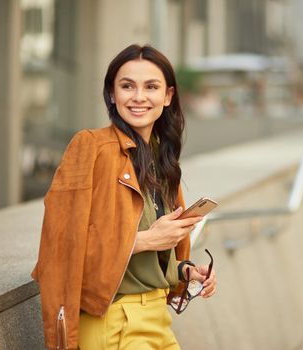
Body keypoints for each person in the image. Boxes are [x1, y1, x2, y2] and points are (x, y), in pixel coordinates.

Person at [31, 44, 217, 350]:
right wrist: (144, 240)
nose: (139, 97)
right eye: (127, 86)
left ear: (168, 96)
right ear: (111, 93)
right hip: (113, 320)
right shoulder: (91, 147)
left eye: (151, 87)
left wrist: (186, 271)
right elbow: (61, 246)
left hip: (157, 317)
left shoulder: (164, 161)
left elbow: (164, 252)